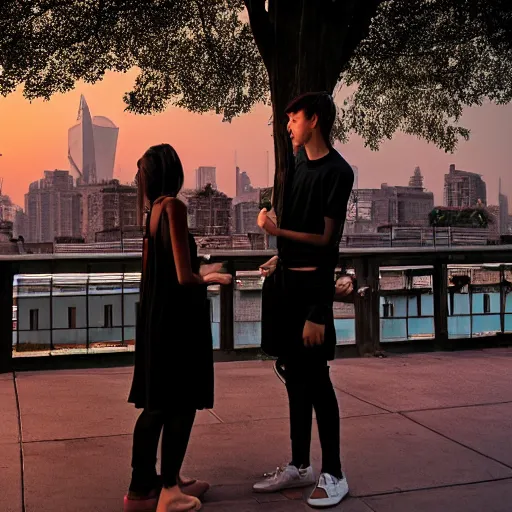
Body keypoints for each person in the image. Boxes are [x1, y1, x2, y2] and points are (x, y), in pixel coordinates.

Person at [255, 92, 354, 508]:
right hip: (285, 286)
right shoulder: (296, 165)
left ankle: (334, 473)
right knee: (295, 378)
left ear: (313, 119)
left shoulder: (338, 171)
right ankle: (299, 465)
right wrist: (281, 253)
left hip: (312, 293)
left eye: (293, 118)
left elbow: (327, 242)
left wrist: (319, 311)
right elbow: (300, 227)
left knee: (317, 382)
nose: (288, 125)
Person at [124, 144, 232, 512]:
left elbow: (160, 273)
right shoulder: (174, 207)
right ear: (175, 172)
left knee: (156, 405)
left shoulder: (151, 213)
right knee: (181, 404)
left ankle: (143, 487)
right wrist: (213, 276)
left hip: (155, 318)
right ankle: (169, 489)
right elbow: (186, 277)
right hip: (179, 322)